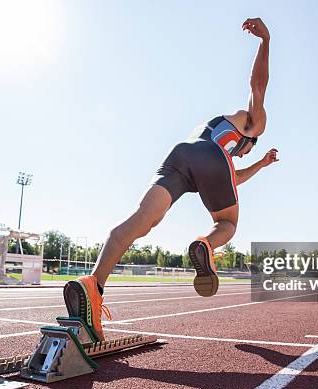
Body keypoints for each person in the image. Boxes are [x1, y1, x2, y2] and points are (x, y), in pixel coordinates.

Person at [64, 18, 278, 340]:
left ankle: (93, 285)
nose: (243, 154)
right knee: (228, 224)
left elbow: (232, 178)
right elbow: (257, 87)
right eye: (247, 151)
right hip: (209, 160)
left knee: (141, 220)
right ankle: (205, 244)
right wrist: (266, 41)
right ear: (249, 137)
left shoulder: (218, 134)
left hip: (181, 154)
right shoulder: (251, 125)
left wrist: (259, 165)